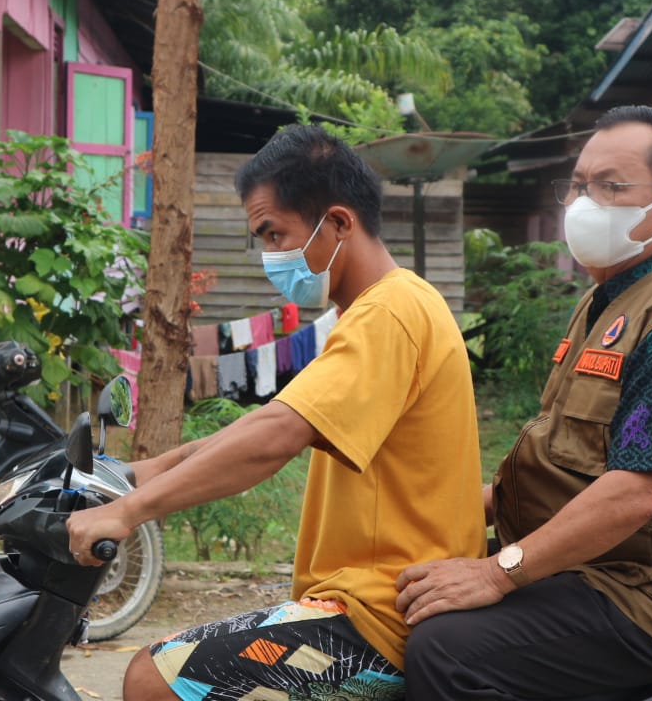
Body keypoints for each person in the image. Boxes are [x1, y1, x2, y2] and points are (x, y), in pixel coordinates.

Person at [67, 124, 486, 700]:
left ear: (339, 222)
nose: (270, 256)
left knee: (155, 677)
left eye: (275, 234)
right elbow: (266, 422)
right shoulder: (375, 312)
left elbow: (277, 436)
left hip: (378, 618)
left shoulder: (391, 312)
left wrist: (129, 512)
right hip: (358, 605)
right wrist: (134, 474)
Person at [395, 104, 652, 699]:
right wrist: (448, 514)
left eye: (611, 187)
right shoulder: (610, 298)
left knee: (445, 651)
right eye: (577, 186)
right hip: (594, 569)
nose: (583, 203)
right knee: (402, 586)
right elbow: (573, 462)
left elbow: (636, 494)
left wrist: (497, 571)